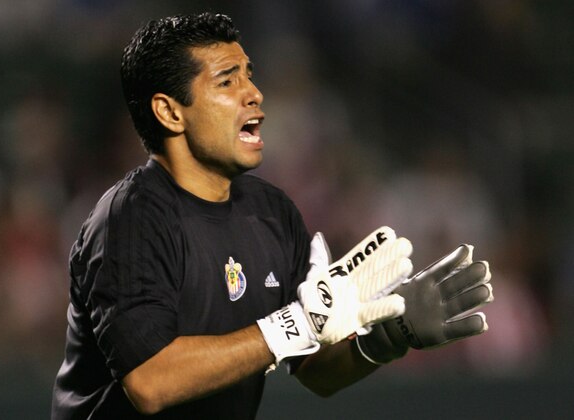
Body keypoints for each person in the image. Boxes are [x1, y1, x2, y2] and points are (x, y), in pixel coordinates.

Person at [51, 12, 493, 419]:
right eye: (227, 81)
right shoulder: (129, 220)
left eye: (249, 75)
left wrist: (388, 338)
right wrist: (295, 323)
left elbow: (314, 368)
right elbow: (151, 381)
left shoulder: (272, 213)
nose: (254, 93)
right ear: (169, 112)